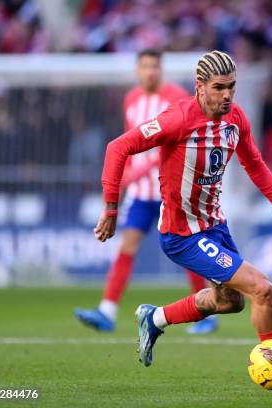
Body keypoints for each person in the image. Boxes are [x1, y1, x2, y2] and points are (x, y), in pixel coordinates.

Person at [94, 50, 272, 394]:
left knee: (229, 302)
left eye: (231, 87)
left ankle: (155, 318)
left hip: (215, 226)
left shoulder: (236, 118)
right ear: (199, 87)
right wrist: (112, 209)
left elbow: (255, 164)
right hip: (182, 233)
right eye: (219, 87)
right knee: (262, 289)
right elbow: (118, 147)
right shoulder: (176, 119)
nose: (227, 95)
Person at [74, 49, 218, 335]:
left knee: (189, 252)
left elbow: (176, 140)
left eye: (155, 66)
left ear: (161, 69)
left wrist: (144, 167)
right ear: (138, 70)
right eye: (145, 66)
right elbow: (130, 140)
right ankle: (107, 311)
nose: (150, 72)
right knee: (126, 246)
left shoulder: (176, 96)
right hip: (141, 194)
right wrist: (127, 171)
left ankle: (207, 313)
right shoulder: (131, 100)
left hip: (172, 192)